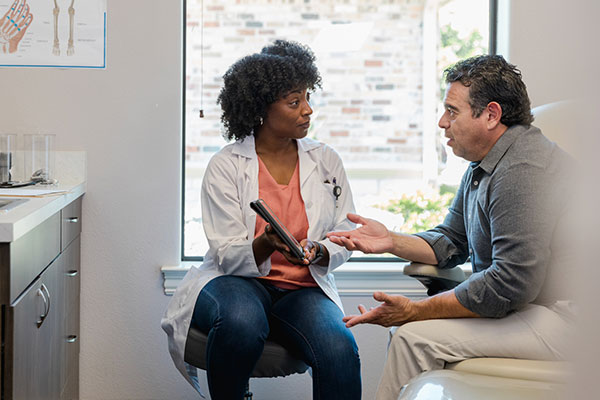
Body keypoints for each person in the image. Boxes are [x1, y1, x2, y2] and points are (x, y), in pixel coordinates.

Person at [327, 55, 574, 399]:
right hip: (534, 309)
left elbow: (511, 283)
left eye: (452, 111)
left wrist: (416, 311)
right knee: (407, 334)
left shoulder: (522, 170)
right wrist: (390, 242)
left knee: (412, 339)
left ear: (490, 115)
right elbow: (450, 240)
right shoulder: (485, 163)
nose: (443, 122)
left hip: (569, 320)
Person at [161, 40, 361, 400]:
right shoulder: (226, 165)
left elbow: (346, 232)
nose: (308, 110)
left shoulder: (326, 160)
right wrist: (266, 242)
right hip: (236, 281)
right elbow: (226, 253)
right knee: (241, 322)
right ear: (261, 109)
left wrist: (320, 250)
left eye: (307, 97)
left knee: (339, 347)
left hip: (302, 289)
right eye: (294, 101)